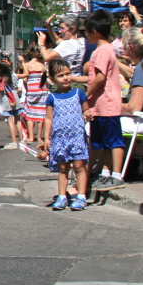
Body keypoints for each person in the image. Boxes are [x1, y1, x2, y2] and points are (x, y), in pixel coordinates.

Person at [84, 10, 127, 192]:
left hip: (107, 104)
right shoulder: (104, 49)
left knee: (114, 141)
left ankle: (117, 175)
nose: (85, 35)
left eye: (86, 31)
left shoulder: (102, 51)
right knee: (103, 143)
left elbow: (100, 78)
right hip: (100, 107)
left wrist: (86, 95)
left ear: (94, 31)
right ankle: (106, 173)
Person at [43, 59, 91, 210]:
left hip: (76, 136)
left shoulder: (79, 93)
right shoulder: (52, 98)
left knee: (79, 165)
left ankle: (81, 196)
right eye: (60, 75)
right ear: (52, 79)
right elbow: (49, 118)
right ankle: (62, 196)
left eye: (67, 74)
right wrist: (46, 137)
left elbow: (86, 109)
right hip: (60, 138)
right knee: (63, 168)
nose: (65, 78)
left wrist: (87, 113)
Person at [19, 43, 48, 144]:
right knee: (41, 115)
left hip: (31, 91)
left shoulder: (27, 65)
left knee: (30, 115)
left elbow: (25, 79)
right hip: (42, 91)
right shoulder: (43, 65)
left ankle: (31, 136)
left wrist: (27, 89)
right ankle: (40, 137)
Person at [0, 60, 22, 149]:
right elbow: (25, 74)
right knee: (18, 120)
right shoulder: (13, 76)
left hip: (6, 100)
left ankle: (14, 142)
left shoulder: (0, 80)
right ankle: (22, 140)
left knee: (10, 122)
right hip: (15, 99)